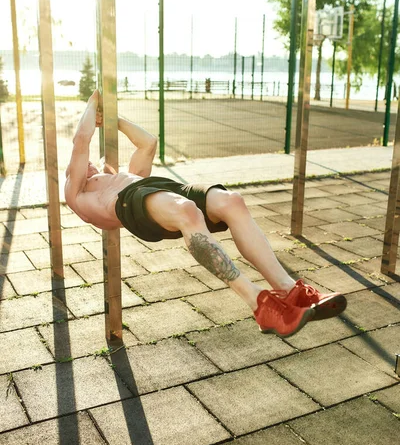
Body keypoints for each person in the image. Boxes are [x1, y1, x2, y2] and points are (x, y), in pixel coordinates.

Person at [65, 91, 346, 338]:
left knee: (231, 201)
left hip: (157, 189)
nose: (88, 164)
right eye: (81, 165)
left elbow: (148, 143)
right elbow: (81, 139)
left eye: (90, 163)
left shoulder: (123, 175)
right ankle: (259, 304)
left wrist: (114, 119)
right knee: (186, 210)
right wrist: (94, 100)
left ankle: (288, 289)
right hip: (129, 204)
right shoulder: (78, 191)